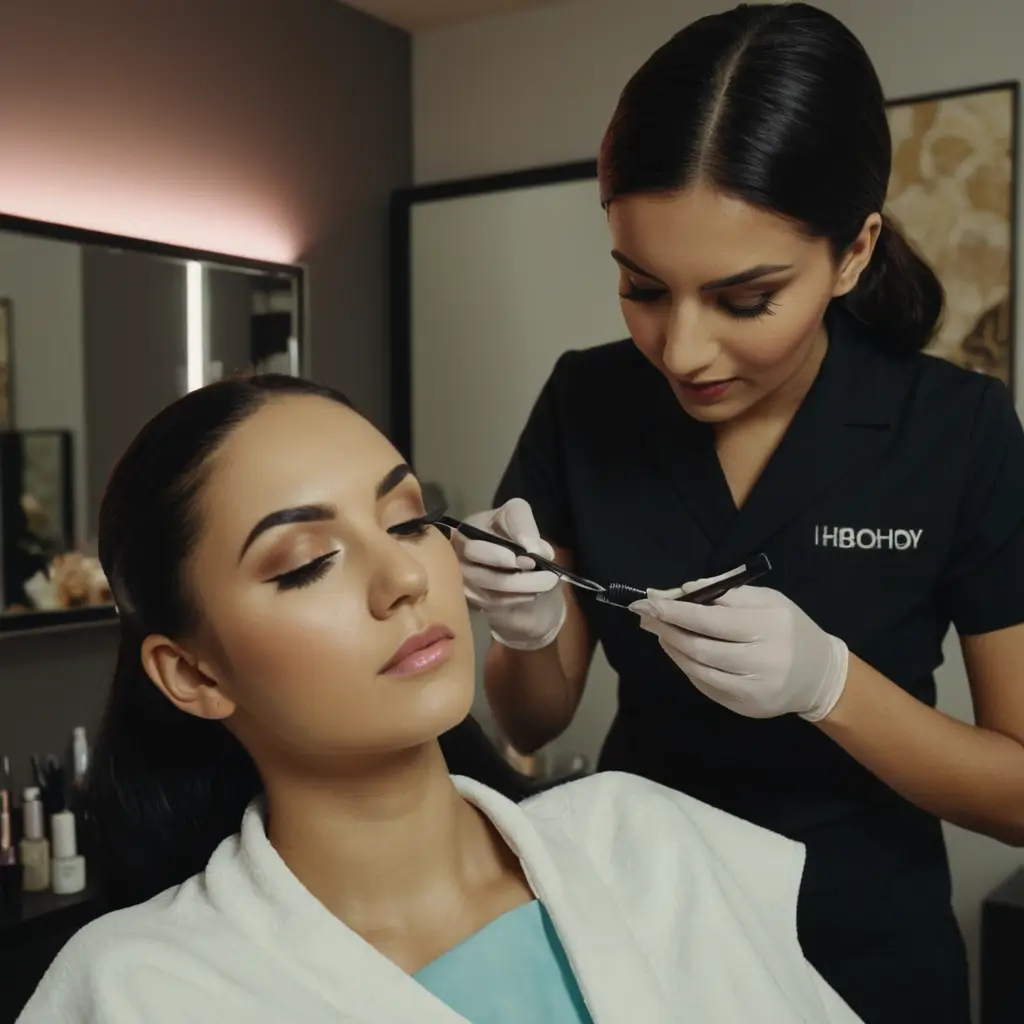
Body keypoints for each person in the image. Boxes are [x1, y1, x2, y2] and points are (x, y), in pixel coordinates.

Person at [456, 5, 1024, 1023]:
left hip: (860, 947)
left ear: (852, 252)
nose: (681, 351)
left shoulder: (957, 429)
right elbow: (532, 716)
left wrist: (830, 683)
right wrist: (525, 626)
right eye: (640, 288)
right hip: (637, 932)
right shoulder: (585, 401)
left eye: (745, 299)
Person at [17, 375, 862, 1024]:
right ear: (193, 675)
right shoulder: (135, 989)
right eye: (308, 561)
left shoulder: (640, 842)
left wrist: (832, 684)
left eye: (410, 520)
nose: (402, 579)